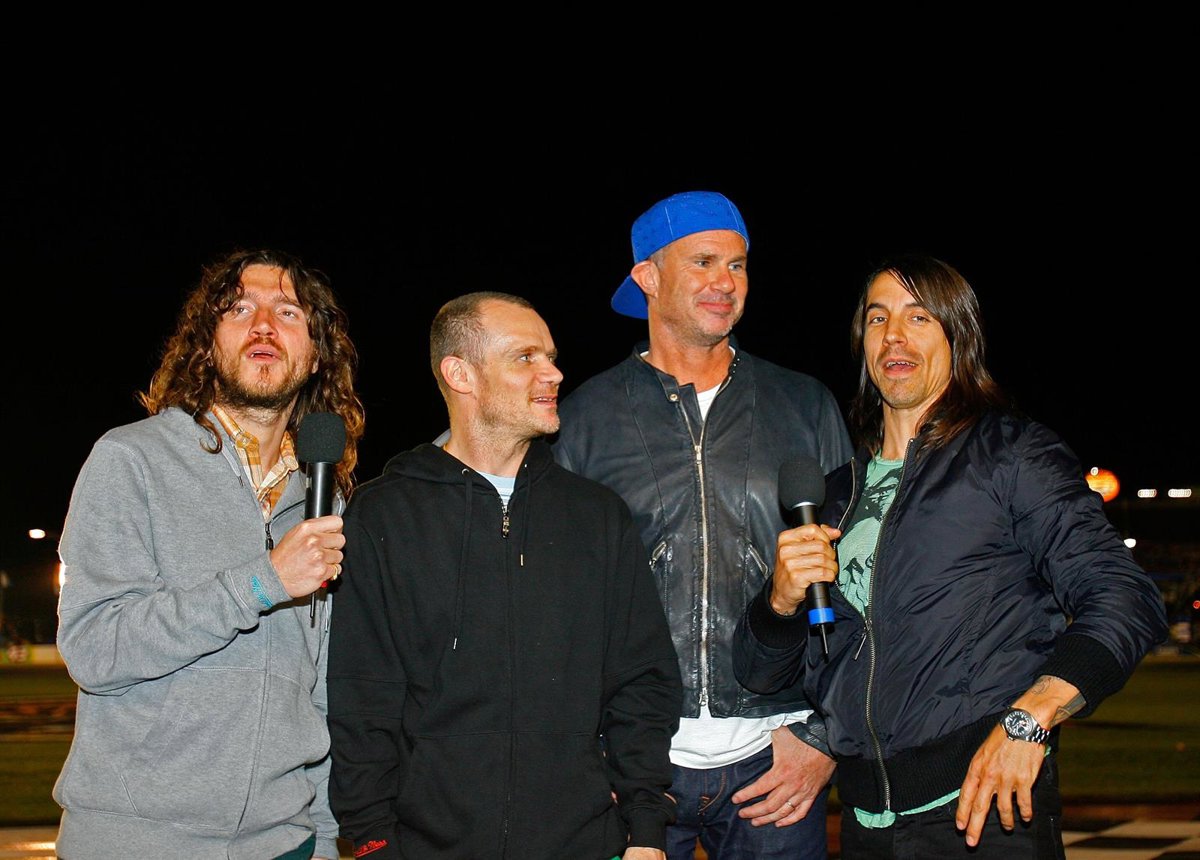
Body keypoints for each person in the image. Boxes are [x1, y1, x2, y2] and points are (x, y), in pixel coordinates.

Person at [733, 254, 1169, 857]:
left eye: (919, 317)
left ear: (957, 336)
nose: (894, 335)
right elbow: (761, 675)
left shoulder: (1011, 455)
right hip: (864, 823)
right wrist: (779, 603)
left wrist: (1030, 718)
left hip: (980, 813)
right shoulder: (834, 494)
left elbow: (1125, 597)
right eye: (878, 318)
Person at [326, 292, 683, 860]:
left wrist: (645, 829)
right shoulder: (383, 515)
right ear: (460, 374)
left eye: (551, 357)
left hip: (585, 843)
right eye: (525, 357)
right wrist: (373, 843)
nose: (554, 373)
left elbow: (641, 680)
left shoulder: (596, 516)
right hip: (425, 847)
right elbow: (361, 699)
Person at [552, 191, 854, 860]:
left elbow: (858, 583)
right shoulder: (583, 420)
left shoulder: (803, 404)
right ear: (647, 276)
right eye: (703, 262)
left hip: (775, 758)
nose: (726, 281)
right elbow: (555, 606)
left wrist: (826, 739)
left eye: (738, 265)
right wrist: (583, 753)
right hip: (632, 764)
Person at [52, 248, 364, 859]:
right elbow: (93, 647)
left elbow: (323, 693)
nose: (264, 325)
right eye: (239, 309)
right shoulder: (131, 459)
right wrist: (261, 583)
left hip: (287, 844)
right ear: (206, 343)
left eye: (289, 312)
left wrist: (325, 839)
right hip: (137, 844)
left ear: (316, 352)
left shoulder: (325, 501)